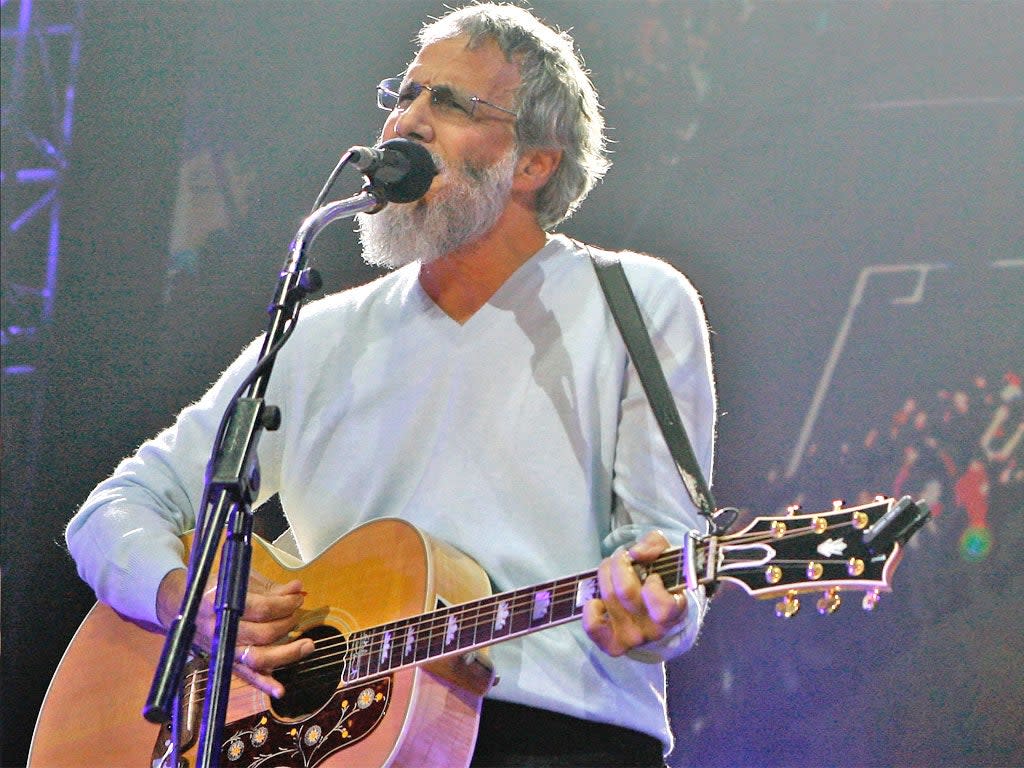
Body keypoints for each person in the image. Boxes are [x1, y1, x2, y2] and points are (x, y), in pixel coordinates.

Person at [66, 3, 716, 765]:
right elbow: (117, 507)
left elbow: (670, 550)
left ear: (534, 163)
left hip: (555, 735)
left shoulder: (635, 301)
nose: (407, 120)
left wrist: (660, 616)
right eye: (403, 96)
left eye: (449, 102)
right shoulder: (316, 334)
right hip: (331, 743)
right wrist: (185, 603)